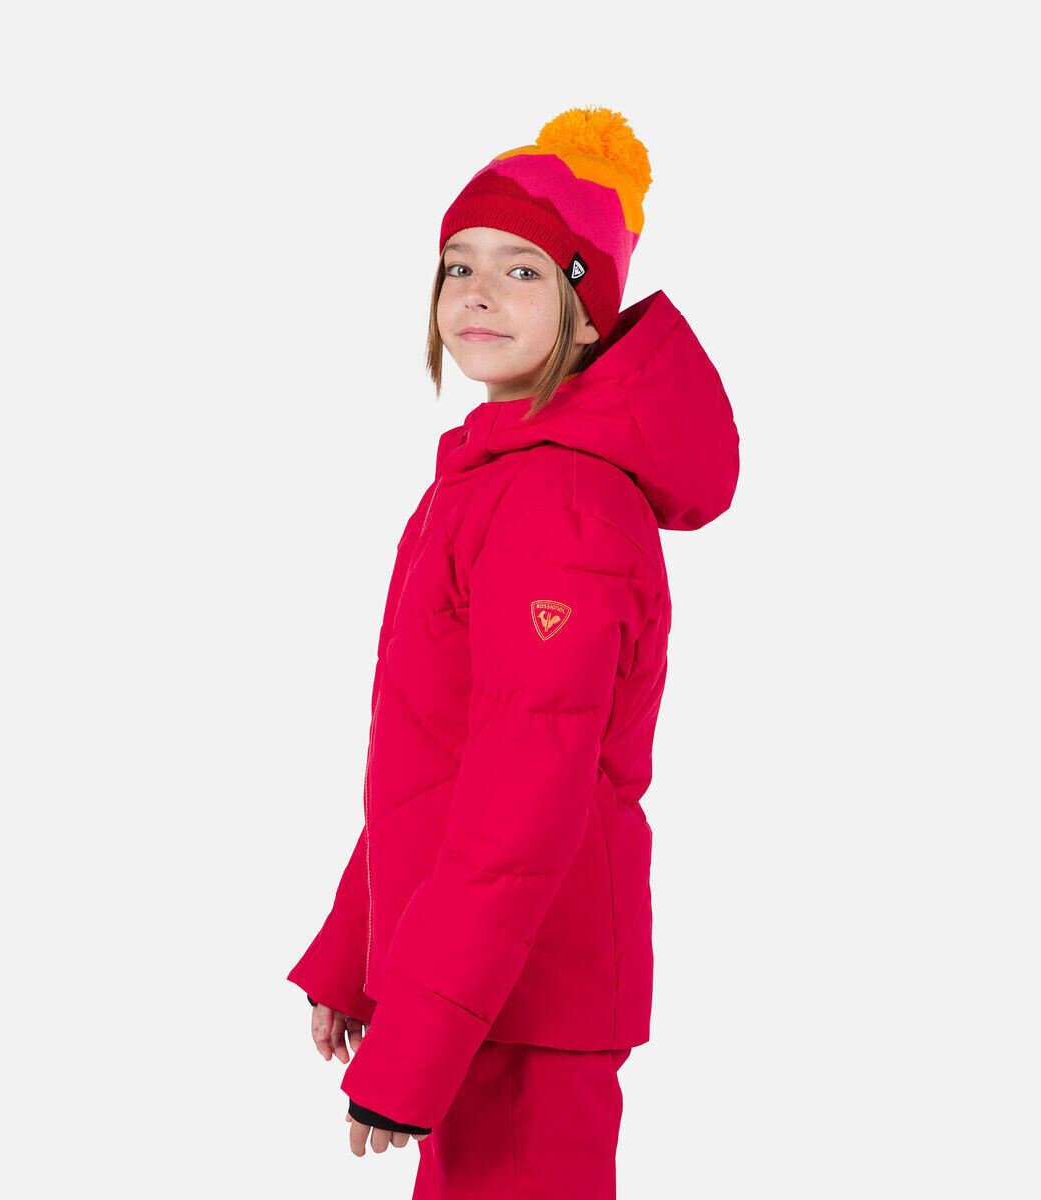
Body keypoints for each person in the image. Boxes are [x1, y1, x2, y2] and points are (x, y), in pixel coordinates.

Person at [286, 104, 741, 1198]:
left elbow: (523, 798)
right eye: (460, 265)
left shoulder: (559, 505)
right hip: (485, 987)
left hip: (527, 997)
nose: (479, 291)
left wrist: (419, 1037)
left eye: (524, 270)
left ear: (587, 315)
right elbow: (435, 761)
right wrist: (358, 947)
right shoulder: (494, 480)